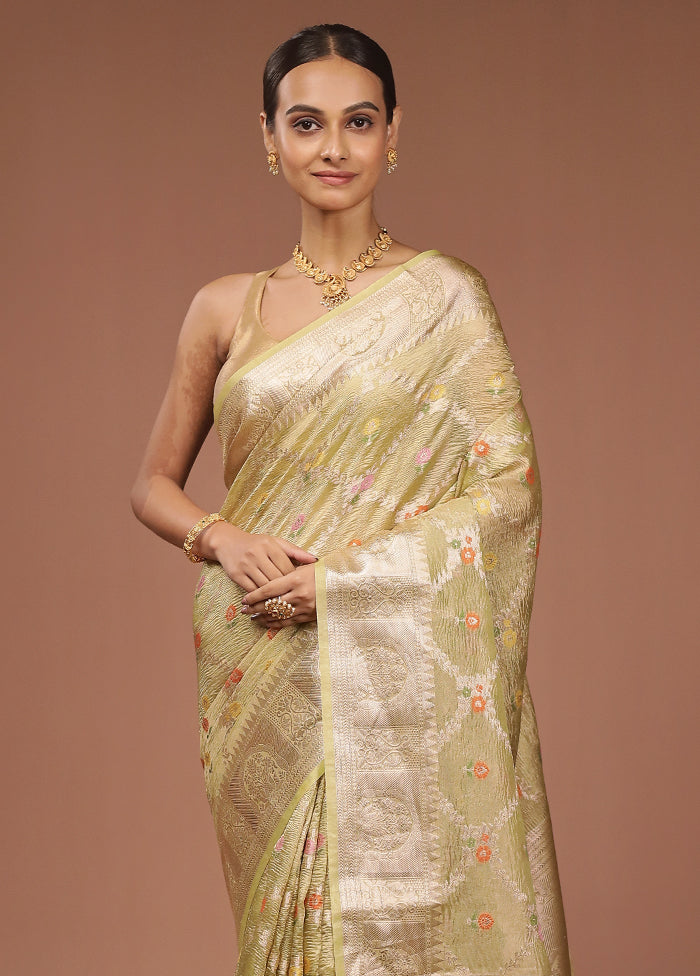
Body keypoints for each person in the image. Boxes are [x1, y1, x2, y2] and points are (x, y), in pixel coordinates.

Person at [131, 22, 574, 976]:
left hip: (395, 649)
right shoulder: (225, 306)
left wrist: (346, 581)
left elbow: (508, 487)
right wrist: (221, 537)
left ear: (393, 134)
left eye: (358, 122)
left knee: (404, 918)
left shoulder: (447, 297)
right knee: (282, 928)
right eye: (306, 123)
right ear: (268, 138)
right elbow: (152, 485)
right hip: (258, 650)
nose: (333, 147)